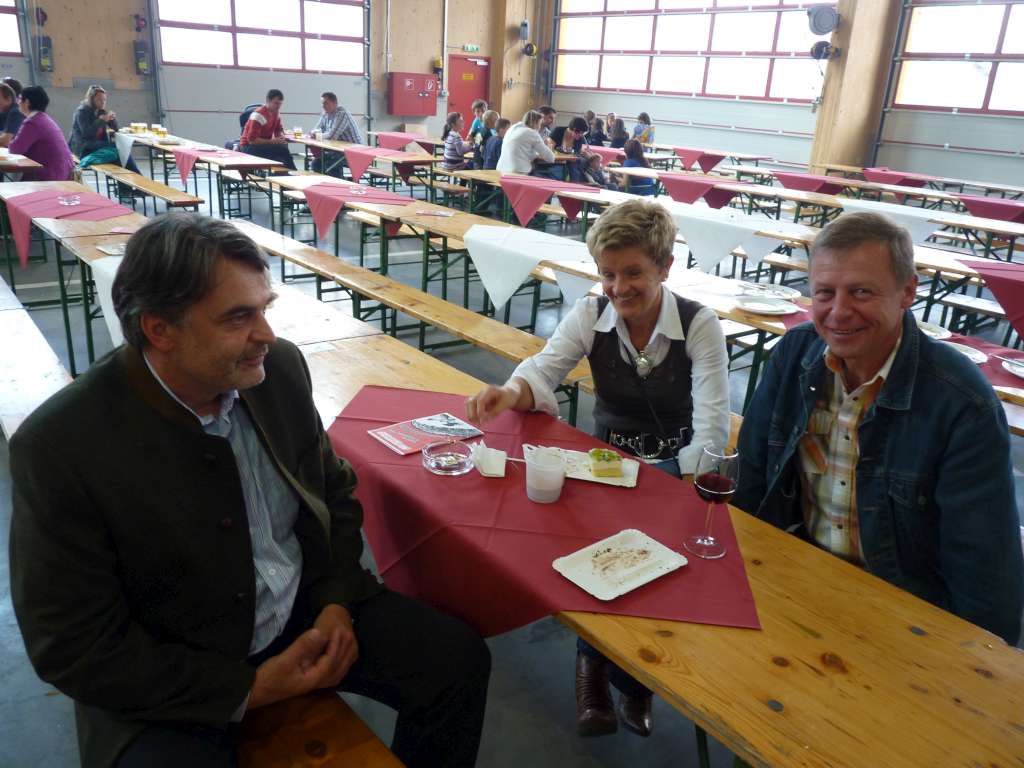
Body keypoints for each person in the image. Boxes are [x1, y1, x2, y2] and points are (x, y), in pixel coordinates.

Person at [9, 214, 492, 768]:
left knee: (456, 663)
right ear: (159, 330)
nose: (266, 334)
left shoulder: (276, 370)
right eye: (239, 317)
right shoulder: (62, 445)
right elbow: (71, 644)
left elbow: (333, 491)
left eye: (265, 308)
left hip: (305, 608)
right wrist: (246, 689)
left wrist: (336, 600)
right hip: (174, 664)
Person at [465, 199, 730, 738]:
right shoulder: (590, 313)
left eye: (633, 273)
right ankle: (590, 666)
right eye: (607, 274)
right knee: (597, 559)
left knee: (656, 569)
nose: (617, 287)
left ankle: (635, 681)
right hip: (606, 459)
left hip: (673, 464)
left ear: (665, 267)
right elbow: (543, 370)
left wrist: (680, 487)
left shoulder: (700, 325)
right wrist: (508, 392)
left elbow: (711, 425)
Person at [734, 212, 1023, 646]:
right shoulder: (795, 353)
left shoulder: (962, 402)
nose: (838, 312)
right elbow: (753, 476)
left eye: (861, 292)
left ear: (908, 291)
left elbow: (984, 573)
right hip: (794, 569)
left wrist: (972, 665)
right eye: (824, 292)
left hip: (903, 611)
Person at [8, 86, 75, 182]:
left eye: (19, 99)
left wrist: (9, 141)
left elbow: (15, 149)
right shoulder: (43, 118)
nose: (18, 102)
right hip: (62, 171)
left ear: (27, 102)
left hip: (49, 175)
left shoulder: (32, 122)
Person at [68, 85, 141, 172]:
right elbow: (86, 134)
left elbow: (116, 129)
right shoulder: (82, 112)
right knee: (119, 149)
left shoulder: (100, 111)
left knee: (120, 153)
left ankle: (131, 177)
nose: (103, 102)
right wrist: (101, 121)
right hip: (83, 148)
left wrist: (112, 120)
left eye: (104, 100)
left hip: (97, 146)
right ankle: (136, 174)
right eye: (99, 100)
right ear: (91, 99)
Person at [240, 88, 295, 170]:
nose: (278, 106)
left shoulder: (276, 113)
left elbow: (278, 129)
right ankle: (293, 171)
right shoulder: (258, 115)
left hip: (262, 145)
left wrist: (281, 137)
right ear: (268, 101)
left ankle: (287, 172)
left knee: (282, 153)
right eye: (276, 103)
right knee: (282, 150)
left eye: (280, 104)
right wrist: (273, 141)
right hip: (248, 147)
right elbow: (252, 140)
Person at [309, 91, 362, 176]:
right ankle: (325, 183)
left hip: (353, 152)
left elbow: (332, 136)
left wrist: (316, 135)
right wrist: (314, 133)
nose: (323, 106)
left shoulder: (342, 114)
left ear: (335, 103)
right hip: (338, 151)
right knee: (316, 164)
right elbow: (315, 129)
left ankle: (340, 183)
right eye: (322, 103)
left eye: (326, 103)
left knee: (330, 164)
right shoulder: (325, 114)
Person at [496, 109, 554, 175]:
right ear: (535, 123)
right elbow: (550, 158)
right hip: (517, 171)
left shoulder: (512, 128)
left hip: (501, 169)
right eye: (539, 124)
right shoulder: (531, 132)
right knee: (548, 174)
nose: (539, 127)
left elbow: (521, 151)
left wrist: (535, 153)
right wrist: (548, 147)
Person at [0, 81, 23, 148]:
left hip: (28, 154)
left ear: (8, 98)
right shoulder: (3, 112)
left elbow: (6, 141)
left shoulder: (16, 112)